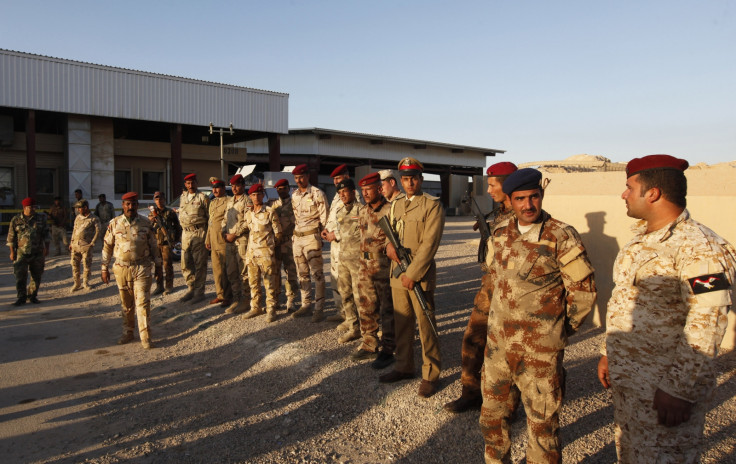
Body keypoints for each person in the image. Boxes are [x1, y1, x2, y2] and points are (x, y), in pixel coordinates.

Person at [597, 155, 736, 463]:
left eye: (629, 187)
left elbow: (709, 320)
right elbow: (624, 302)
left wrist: (679, 389)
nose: (624, 195)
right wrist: (609, 351)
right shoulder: (641, 241)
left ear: (653, 193)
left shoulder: (700, 246)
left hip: (665, 392)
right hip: (633, 386)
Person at [479, 168, 596, 464]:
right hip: (498, 349)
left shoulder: (561, 235)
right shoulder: (500, 232)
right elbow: (495, 277)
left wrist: (556, 330)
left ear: (541, 196)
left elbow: (583, 292)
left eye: (534, 197)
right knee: (492, 418)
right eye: (520, 199)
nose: (528, 205)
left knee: (543, 427)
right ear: (510, 200)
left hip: (540, 353)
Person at [444, 161, 519, 413]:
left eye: (492, 185)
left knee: (508, 349)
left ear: (507, 186)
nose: (488, 190)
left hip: (512, 293)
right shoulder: (498, 214)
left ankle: (508, 404)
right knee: (473, 338)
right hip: (488, 286)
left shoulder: (523, 216)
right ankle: (471, 392)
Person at [380, 157, 445, 398]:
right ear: (401, 180)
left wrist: (413, 274)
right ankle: (404, 366)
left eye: (414, 178)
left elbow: (430, 244)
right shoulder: (397, 204)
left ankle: (431, 374)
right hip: (398, 274)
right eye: (405, 179)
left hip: (419, 276)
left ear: (420, 179)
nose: (410, 183)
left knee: (426, 325)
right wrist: (388, 244)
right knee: (402, 324)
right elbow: (392, 231)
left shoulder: (432, 205)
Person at [101, 192, 162, 349]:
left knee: (143, 302)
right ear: (122, 205)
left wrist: (158, 265)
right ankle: (128, 332)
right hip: (121, 268)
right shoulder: (114, 223)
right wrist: (104, 268)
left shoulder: (145, 223)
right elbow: (107, 247)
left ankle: (145, 337)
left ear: (137, 205)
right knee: (126, 304)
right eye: (127, 204)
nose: (130, 207)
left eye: (133, 204)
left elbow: (154, 246)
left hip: (142, 267)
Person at [351, 172, 396, 369]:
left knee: (387, 308)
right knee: (366, 305)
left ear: (379, 189)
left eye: (368, 189)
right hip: (364, 266)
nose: (365, 194)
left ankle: (389, 348)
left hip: (383, 266)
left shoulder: (390, 210)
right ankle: (369, 343)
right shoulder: (363, 211)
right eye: (362, 190)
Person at [322, 164, 362, 323]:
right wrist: (326, 229)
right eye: (334, 180)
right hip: (335, 245)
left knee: (351, 285)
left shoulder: (354, 195)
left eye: (339, 178)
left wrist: (335, 234)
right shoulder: (337, 196)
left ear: (346, 176)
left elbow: (354, 223)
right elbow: (334, 218)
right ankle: (343, 313)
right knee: (337, 281)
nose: (336, 182)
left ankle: (354, 317)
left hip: (347, 245)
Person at [291, 163, 329, 322]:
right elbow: (295, 216)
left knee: (317, 274)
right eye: (296, 178)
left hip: (311, 238)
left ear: (307, 176)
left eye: (301, 177)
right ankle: (306, 304)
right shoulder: (294, 195)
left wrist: (323, 235)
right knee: (302, 274)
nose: (299, 180)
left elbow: (324, 217)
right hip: (298, 238)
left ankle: (319, 308)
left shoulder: (317, 193)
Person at [242, 183, 283, 322]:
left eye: (259, 194)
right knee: (253, 282)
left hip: (265, 254)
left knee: (269, 282)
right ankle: (255, 307)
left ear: (263, 195)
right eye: (253, 195)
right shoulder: (248, 213)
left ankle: (271, 309)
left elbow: (278, 233)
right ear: (250, 196)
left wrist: (269, 247)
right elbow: (248, 230)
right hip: (251, 254)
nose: (256, 197)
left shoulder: (270, 211)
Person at [7, 197, 49, 306]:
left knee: (37, 275)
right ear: (25, 207)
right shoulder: (16, 220)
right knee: (20, 276)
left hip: (37, 252)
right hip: (21, 253)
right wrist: (12, 252)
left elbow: (46, 235)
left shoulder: (40, 219)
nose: (33, 209)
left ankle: (32, 296)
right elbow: (11, 238)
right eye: (31, 207)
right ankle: (21, 297)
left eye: (34, 207)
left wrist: (46, 248)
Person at [222, 174, 251, 314]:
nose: (234, 188)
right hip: (229, 241)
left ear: (243, 186)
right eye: (232, 186)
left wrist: (235, 234)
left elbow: (248, 221)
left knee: (243, 271)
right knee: (231, 271)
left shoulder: (247, 201)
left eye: (237, 185)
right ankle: (236, 298)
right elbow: (225, 219)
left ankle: (246, 300)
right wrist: (223, 231)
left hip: (241, 240)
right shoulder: (230, 201)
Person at [178, 173, 209, 303]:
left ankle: (199, 292)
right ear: (185, 184)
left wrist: (207, 236)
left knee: (199, 263)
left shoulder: (203, 197)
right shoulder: (183, 197)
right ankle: (191, 288)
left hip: (198, 232)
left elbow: (209, 218)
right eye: (188, 183)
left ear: (196, 183)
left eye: (193, 182)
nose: (190, 185)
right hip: (186, 234)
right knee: (186, 262)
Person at [272, 178, 300, 312]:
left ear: (288, 188)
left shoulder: (295, 204)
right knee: (275, 272)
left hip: (290, 242)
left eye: (284, 188)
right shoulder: (273, 205)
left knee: (291, 272)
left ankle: (291, 300)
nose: (281, 191)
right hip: (276, 243)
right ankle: (275, 299)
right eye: (279, 189)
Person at [205, 178, 232, 306]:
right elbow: (210, 222)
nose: (214, 190)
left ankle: (227, 296)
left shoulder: (229, 201)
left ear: (223, 188)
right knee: (216, 270)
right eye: (213, 188)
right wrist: (207, 238)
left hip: (223, 240)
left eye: (217, 187)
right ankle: (219, 294)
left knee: (225, 270)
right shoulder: (212, 203)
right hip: (213, 240)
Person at [149, 191, 181, 295]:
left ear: (164, 200)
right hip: (156, 242)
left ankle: (169, 286)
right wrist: (152, 220)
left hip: (167, 242)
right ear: (155, 200)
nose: (159, 201)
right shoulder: (152, 213)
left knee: (168, 265)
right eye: (157, 199)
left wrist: (176, 240)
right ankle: (159, 286)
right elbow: (148, 228)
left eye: (161, 199)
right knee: (158, 265)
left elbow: (177, 226)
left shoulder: (170, 212)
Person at [69, 199, 101, 291]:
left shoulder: (94, 218)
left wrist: (92, 243)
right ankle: (76, 283)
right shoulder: (78, 217)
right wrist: (71, 242)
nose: (78, 210)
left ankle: (85, 283)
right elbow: (74, 230)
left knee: (86, 265)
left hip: (86, 246)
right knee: (74, 265)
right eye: (77, 208)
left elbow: (98, 231)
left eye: (79, 208)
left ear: (85, 207)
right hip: (75, 245)